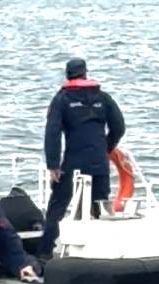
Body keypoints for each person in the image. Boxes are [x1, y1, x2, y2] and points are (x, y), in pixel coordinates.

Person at [40, 57, 126, 259]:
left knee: (58, 206)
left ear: (68, 75)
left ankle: (43, 253)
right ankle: (103, 252)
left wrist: (53, 165)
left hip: (74, 162)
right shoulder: (103, 98)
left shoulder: (62, 99)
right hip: (99, 161)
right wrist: (106, 147)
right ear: (85, 73)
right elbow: (119, 127)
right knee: (100, 207)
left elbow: (52, 133)